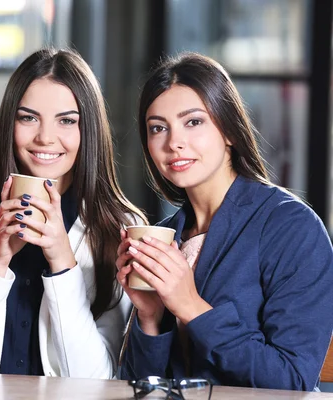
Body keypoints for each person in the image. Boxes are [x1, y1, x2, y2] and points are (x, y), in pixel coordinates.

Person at [0, 48, 146, 378]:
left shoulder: (119, 229)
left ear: (89, 131)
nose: (45, 137)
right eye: (28, 118)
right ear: (9, 124)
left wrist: (62, 261)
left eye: (67, 121)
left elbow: (96, 382)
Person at [117, 52, 333, 390]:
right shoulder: (170, 233)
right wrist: (149, 316)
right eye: (158, 128)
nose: (174, 142)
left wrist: (190, 306)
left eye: (193, 122)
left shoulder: (292, 227)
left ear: (229, 130)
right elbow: (134, 386)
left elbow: (293, 380)